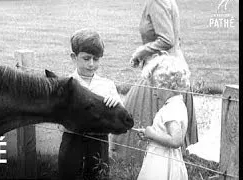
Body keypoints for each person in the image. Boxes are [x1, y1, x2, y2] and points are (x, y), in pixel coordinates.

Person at [111, 0, 198, 164]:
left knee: (130, 118)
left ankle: (143, 162)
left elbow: (167, 39)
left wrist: (140, 52)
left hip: (164, 74)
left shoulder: (157, 1)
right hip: (168, 67)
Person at [58, 28, 123, 180]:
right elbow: (61, 123)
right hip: (72, 143)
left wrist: (116, 105)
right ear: (74, 57)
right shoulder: (66, 84)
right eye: (86, 59)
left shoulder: (107, 85)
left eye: (96, 59)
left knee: (98, 175)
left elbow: (120, 120)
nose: (91, 64)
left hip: (99, 143)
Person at [136, 54, 190, 180]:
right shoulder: (177, 104)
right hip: (168, 158)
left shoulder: (170, 110)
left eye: (155, 86)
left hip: (162, 163)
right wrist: (150, 134)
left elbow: (176, 140)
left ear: (167, 85)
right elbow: (167, 134)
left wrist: (152, 134)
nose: (153, 90)